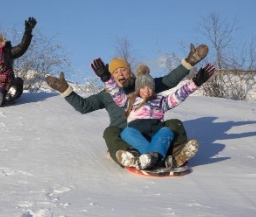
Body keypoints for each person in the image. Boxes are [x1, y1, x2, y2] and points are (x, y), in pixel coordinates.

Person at [45, 43, 208, 168]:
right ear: (111, 76)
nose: (120, 73)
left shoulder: (144, 86)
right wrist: (65, 90)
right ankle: (128, 155)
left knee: (174, 124)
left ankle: (177, 152)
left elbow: (170, 80)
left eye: (123, 70)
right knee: (110, 132)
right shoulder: (107, 94)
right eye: (115, 72)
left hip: (152, 129)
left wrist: (189, 62)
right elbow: (84, 106)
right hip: (127, 135)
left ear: (129, 72)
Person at [96, 61, 215, 170]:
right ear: (138, 89)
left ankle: (150, 157)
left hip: (156, 134)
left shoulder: (161, 101)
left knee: (167, 131)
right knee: (127, 132)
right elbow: (116, 93)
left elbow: (179, 95)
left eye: (150, 87)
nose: (147, 90)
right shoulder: (130, 101)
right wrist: (107, 78)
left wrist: (195, 83)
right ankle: (154, 158)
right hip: (138, 135)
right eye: (142, 87)